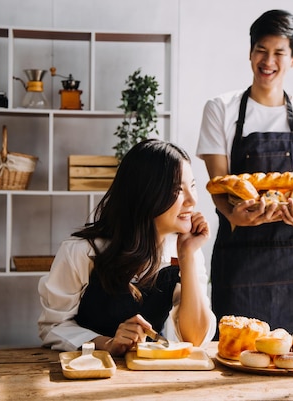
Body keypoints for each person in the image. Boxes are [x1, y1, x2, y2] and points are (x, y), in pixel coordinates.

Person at [196, 9, 293, 340]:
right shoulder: (221, 108)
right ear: (250, 52)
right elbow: (219, 185)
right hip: (240, 255)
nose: (268, 60)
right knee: (236, 354)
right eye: (261, 49)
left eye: (279, 53)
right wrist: (235, 215)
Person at [38, 139, 216, 355]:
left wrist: (188, 256)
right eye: (177, 190)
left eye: (193, 187)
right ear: (145, 194)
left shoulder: (184, 252)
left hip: (149, 377)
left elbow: (195, 339)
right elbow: (53, 327)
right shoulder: (81, 252)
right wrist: (108, 343)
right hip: (85, 372)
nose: (192, 200)